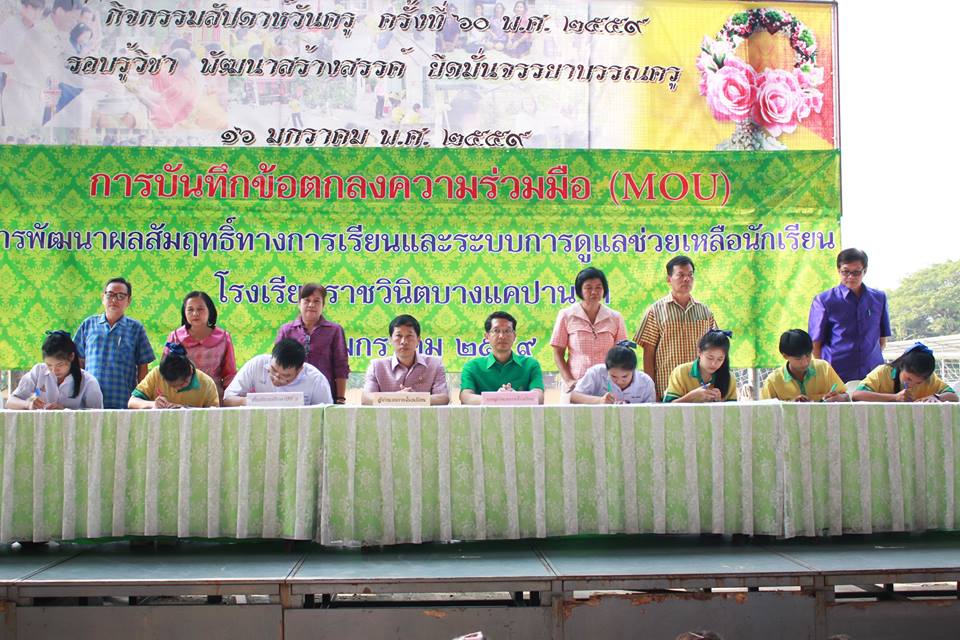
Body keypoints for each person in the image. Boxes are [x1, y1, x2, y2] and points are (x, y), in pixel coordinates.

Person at [635, 256, 718, 400]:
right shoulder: (655, 311)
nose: (686, 279)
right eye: (680, 275)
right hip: (667, 388)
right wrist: (652, 390)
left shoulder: (705, 312)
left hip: (700, 388)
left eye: (690, 275)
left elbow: (715, 349)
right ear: (669, 279)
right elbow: (648, 354)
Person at [809, 248, 892, 382]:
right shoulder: (824, 301)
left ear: (865, 271)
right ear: (838, 270)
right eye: (845, 271)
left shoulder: (879, 298)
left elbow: (882, 340)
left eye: (856, 272)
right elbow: (815, 344)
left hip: (872, 373)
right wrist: (824, 372)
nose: (851, 277)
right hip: (836, 373)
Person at [74, 277, 156, 409]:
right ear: (103, 297)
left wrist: (141, 399)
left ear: (128, 301)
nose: (114, 300)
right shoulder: (88, 324)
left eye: (120, 296)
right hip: (90, 402)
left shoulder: (136, 328)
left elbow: (143, 367)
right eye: (110, 294)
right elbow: (78, 362)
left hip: (123, 402)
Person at [550, 267, 628, 401]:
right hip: (576, 385)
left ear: (604, 290)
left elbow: (621, 354)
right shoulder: (566, 315)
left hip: (607, 385)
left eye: (598, 287)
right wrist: (569, 380)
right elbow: (558, 353)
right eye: (588, 287)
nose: (594, 292)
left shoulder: (615, 317)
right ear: (580, 290)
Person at [276, 283, 349, 405]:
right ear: (299, 304)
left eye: (316, 301)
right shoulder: (286, 330)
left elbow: (341, 367)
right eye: (307, 300)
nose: (311, 305)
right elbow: (277, 364)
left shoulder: (335, 330)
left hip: (325, 395)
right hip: (291, 397)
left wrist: (340, 399)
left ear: (323, 305)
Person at [459, 311, 544, 405]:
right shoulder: (472, 367)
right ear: (487, 336)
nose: (502, 336)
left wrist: (514, 397)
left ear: (514, 336)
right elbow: (465, 397)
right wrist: (498, 398)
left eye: (507, 331)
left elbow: (539, 397)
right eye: (496, 331)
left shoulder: (530, 365)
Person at [165, 291, 237, 401]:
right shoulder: (175, 337)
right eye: (190, 309)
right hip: (180, 400)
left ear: (210, 310)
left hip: (214, 399)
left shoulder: (223, 337)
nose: (195, 313)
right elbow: (166, 372)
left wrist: (231, 398)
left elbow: (229, 375)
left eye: (200, 309)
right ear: (184, 312)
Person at [361, 314, 449, 405]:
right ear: (390, 340)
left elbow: (443, 398)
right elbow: (366, 398)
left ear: (418, 340)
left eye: (409, 336)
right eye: (399, 336)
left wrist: (415, 398)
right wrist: (397, 397)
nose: (404, 341)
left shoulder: (435, 364)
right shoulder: (376, 366)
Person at [6, 330, 103, 410]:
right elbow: (11, 402)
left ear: (71, 357)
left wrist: (65, 411)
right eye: (49, 365)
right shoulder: (38, 372)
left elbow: (98, 416)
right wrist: (28, 404)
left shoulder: (88, 382)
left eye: (60, 365)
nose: (54, 370)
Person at [223, 338, 333, 406]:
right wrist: (252, 401)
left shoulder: (316, 380)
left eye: (285, 376)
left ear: (300, 370)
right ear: (271, 358)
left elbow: (327, 413)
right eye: (273, 370)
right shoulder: (257, 364)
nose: (276, 378)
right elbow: (227, 399)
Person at [852, 343, 958, 403]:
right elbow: (857, 395)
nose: (911, 384)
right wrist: (894, 397)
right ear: (901, 366)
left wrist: (937, 397)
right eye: (908, 379)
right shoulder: (883, 372)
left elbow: (953, 396)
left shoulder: (930, 379)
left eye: (919, 382)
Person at [761, 329, 848, 402]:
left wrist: (840, 398)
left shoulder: (824, 369)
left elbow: (846, 395)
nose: (805, 362)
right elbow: (765, 411)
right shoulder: (773, 382)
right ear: (785, 356)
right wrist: (789, 405)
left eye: (808, 355)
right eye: (798, 359)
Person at [128, 344, 219, 409]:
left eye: (182, 384)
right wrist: (153, 404)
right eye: (172, 385)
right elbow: (132, 402)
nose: (177, 389)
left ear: (191, 371)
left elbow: (215, 414)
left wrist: (186, 409)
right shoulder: (157, 374)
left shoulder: (206, 383)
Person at [662, 330, 737, 403]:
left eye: (720, 359)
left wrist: (719, 403)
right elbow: (667, 407)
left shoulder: (729, 378)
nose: (714, 364)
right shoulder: (681, 372)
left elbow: (734, 409)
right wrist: (692, 396)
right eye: (710, 358)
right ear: (699, 352)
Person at [570, 341, 655, 404]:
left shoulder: (646, 382)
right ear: (607, 369)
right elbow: (573, 396)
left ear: (634, 370)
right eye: (614, 376)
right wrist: (599, 401)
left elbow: (651, 410)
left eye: (625, 377)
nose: (619, 381)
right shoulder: (596, 373)